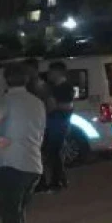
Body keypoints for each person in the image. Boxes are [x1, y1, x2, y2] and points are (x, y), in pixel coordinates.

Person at [0, 62, 46, 223]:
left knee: (9, 210)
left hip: (12, 161)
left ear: (6, 80)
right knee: (18, 209)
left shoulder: (8, 99)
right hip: (33, 163)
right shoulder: (37, 102)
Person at [37, 61, 75, 193]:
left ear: (58, 72)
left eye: (51, 72)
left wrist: (52, 106)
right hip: (54, 123)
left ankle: (56, 182)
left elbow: (68, 106)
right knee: (53, 153)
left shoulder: (65, 88)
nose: (49, 74)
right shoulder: (52, 87)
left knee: (54, 153)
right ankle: (60, 180)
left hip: (59, 124)